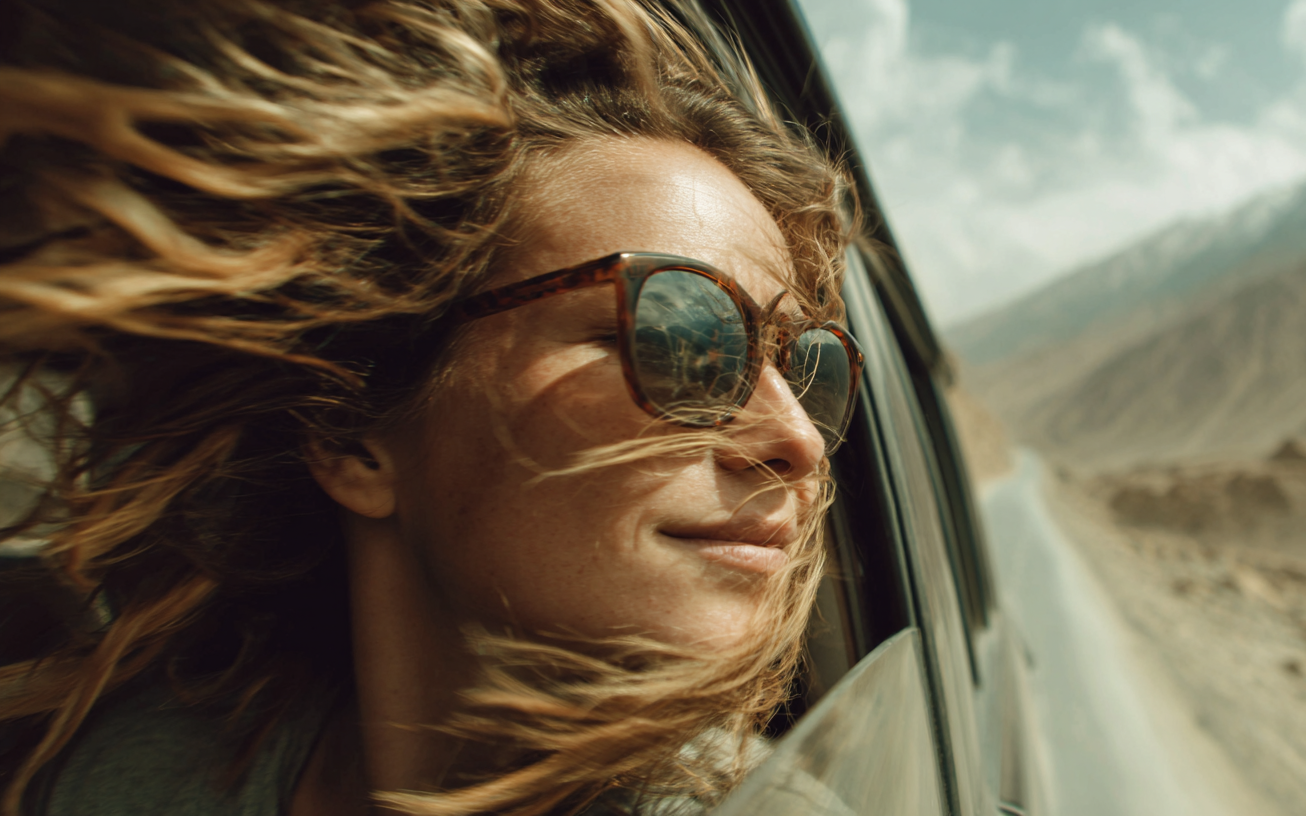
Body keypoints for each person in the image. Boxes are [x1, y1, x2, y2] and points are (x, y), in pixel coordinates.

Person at [0, 0, 862, 813]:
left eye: (807, 367)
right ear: (351, 434)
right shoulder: (135, 776)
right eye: (679, 333)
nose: (797, 440)